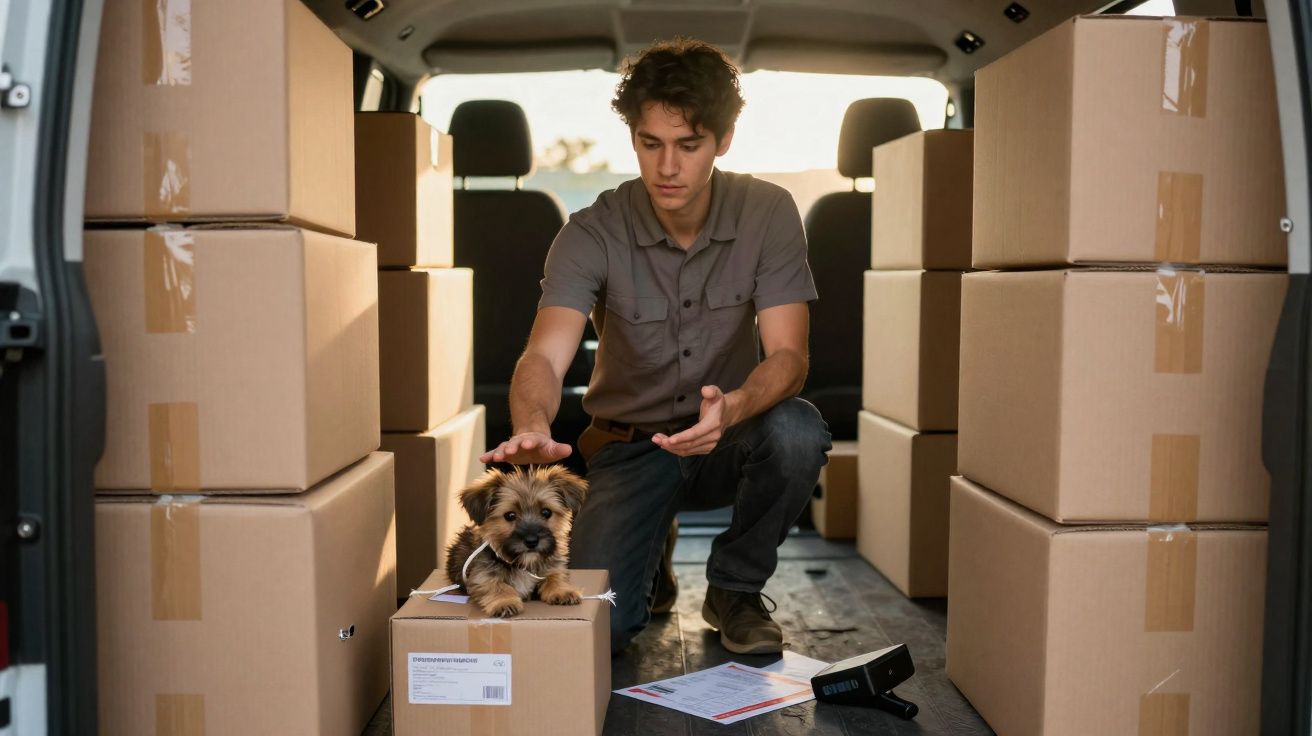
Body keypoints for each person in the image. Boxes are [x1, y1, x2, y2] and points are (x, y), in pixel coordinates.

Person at [479, 38, 831, 655]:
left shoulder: (769, 212)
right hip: (631, 449)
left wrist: (736, 407)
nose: (667, 167)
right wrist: (532, 425)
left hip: (731, 435)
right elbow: (544, 354)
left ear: (722, 141)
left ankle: (736, 590)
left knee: (798, 431)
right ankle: (650, 557)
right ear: (634, 138)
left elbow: (789, 357)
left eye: (689, 145)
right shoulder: (590, 232)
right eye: (651, 144)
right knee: (597, 629)